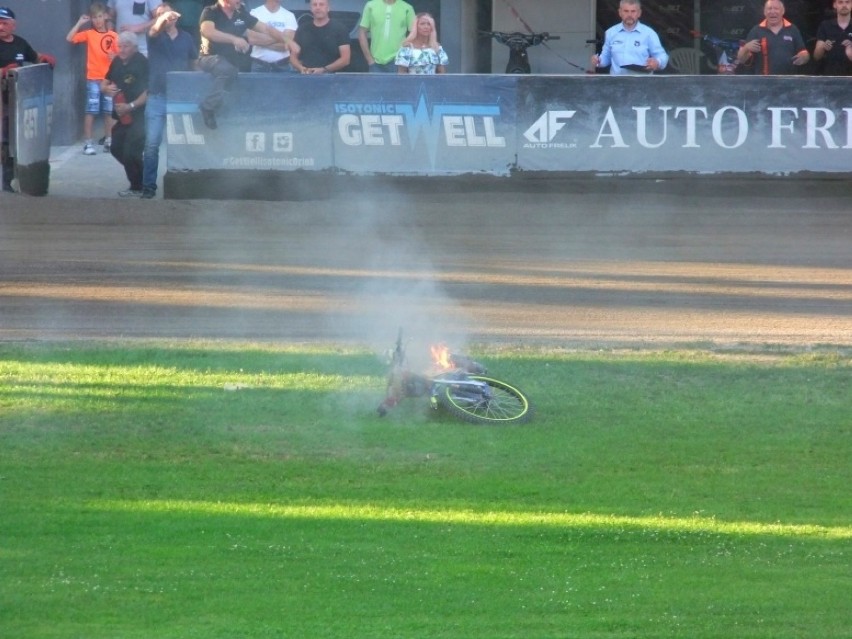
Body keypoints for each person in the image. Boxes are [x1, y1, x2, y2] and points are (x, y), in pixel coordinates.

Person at [197, 0, 294, 129]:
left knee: (233, 69)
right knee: (227, 69)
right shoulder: (210, 11)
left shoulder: (241, 14)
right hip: (209, 58)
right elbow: (208, 32)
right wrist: (234, 39)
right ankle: (208, 106)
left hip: (232, 61)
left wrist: (287, 40)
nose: (240, 1)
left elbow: (266, 28)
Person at [141, 2, 196, 199]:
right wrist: (163, 17)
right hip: (157, 96)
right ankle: (148, 187)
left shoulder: (187, 38)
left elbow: (194, 64)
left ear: (176, 18)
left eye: (168, 15)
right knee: (152, 144)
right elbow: (154, 30)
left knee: (183, 145)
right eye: (160, 15)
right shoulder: (154, 35)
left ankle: (183, 187)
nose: (165, 18)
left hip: (179, 98)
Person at [1, 6, 56, 193]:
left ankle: (10, 181)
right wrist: (3, 72)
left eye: (4, 23)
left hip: (18, 101)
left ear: (13, 25)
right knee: (4, 141)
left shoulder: (20, 43)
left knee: (13, 142)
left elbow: (34, 58)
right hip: (1, 103)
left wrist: (44, 60)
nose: (0, 26)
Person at [67, 3, 119, 156]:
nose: (98, 20)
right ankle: (88, 143)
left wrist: (115, 56)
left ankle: (109, 141)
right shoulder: (89, 33)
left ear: (106, 17)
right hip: (93, 78)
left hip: (109, 80)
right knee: (91, 110)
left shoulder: (114, 36)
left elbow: (121, 56)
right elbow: (70, 38)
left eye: (100, 16)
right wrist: (80, 22)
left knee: (109, 111)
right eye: (95, 17)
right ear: (91, 19)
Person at [102, 31, 148, 197]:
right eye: (119, 46)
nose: (121, 49)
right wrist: (106, 88)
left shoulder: (142, 63)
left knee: (131, 152)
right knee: (115, 148)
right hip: (122, 115)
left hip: (140, 115)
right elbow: (104, 82)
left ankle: (139, 185)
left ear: (135, 48)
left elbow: (148, 92)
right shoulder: (116, 62)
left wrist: (130, 105)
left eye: (126, 46)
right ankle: (140, 180)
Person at [590, 0, 668, 75]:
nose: (629, 15)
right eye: (626, 11)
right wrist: (598, 61)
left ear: (639, 13)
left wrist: (657, 62)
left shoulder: (649, 33)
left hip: (642, 83)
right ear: (620, 12)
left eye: (633, 11)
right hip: (617, 83)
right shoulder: (610, 33)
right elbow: (606, 57)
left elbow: (662, 56)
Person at [736, 0, 809, 75]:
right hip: (763, 82)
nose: (772, 11)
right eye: (769, 8)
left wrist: (804, 57)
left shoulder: (792, 29)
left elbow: (804, 52)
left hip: (788, 81)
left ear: (782, 11)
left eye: (776, 8)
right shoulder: (756, 31)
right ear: (764, 12)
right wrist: (746, 48)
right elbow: (741, 60)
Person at [290, 0, 351, 74]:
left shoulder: (340, 29)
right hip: (307, 78)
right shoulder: (302, 29)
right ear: (311, 8)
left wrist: (324, 69)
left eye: (321, 4)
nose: (318, 7)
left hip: (333, 79)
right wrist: (301, 68)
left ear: (328, 8)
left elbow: (345, 59)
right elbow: (293, 57)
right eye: (314, 5)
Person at [358, 0, 414, 73]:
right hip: (375, 62)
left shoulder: (407, 8)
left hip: (398, 62)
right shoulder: (370, 6)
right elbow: (362, 32)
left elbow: (414, 33)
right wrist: (370, 60)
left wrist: (403, 59)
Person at [247, 0, 298, 73]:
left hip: (282, 66)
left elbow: (287, 45)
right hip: (259, 65)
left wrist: (261, 41)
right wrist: (282, 37)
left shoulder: (289, 16)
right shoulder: (254, 13)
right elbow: (252, 39)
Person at [813, 0, 852, 76]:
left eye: (847, 2)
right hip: (830, 76)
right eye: (840, 2)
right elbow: (816, 57)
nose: (844, 5)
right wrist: (823, 47)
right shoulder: (825, 25)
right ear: (834, 5)